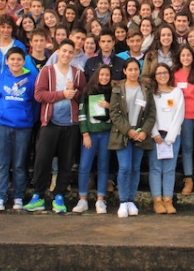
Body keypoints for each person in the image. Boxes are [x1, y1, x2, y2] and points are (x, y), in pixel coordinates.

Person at [24, 40, 86, 213]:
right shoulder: (47, 71)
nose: (67, 55)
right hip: (50, 123)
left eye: (70, 52)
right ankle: (38, 195)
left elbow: (83, 96)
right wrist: (62, 94)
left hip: (71, 124)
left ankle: (59, 195)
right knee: (42, 160)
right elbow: (39, 95)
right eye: (64, 51)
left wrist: (74, 93)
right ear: (58, 52)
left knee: (66, 162)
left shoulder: (77, 74)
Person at [0, 47, 37, 211]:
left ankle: (18, 196)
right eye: (12, 59)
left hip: (23, 127)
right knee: (2, 164)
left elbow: (35, 103)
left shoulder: (30, 79)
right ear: (7, 61)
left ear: (24, 61)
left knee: (19, 164)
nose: (15, 62)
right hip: (1, 126)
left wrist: (29, 118)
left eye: (19, 59)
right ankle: (0, 197)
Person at [109, 58, 156, 217]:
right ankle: (123, 201)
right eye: (130, 69)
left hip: (140, 134)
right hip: (123, 134)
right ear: (124, 71)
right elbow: (114, 113)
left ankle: (131, 200)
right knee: (125, 167)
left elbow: (151, 114)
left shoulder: (146, 89)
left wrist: (144, 131)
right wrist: (128, 130)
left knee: (135, 168)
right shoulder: (117, 89)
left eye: (136, 69)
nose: (133, 72)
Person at [73, 65, 113, 214]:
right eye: (101, 75)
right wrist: (85, 134)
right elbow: (82, 113)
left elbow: (118, 111)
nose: (104, 78)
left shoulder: (113, 92)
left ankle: (100, 200)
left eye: (107, 75)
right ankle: (82, 198)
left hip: (106, 133)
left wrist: (109, 106)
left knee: (103, 166)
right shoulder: (88, 92)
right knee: (84, 166)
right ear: (97, 75)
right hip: (91, 134)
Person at [149, 63, 185, 214]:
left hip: (172, 135)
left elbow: (179, 113)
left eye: (164, 72)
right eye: (158, 73)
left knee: (170, 169)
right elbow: (149, 115)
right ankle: (157, 199)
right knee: (155, 168)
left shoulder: (176, 92)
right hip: (155, 135)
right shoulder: (151, 93)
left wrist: (170, 136)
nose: (162, 75)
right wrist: (155, 133)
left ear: (169, 74)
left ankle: (168, 199)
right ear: (154, 77)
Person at [174, 45, 194, 196]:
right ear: (179, 58)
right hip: (183, 117)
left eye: (188, 55)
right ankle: (188, 179)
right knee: (187, 148)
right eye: (183, 56)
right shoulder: (175, 74)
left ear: (193, 57)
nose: (186, 58)